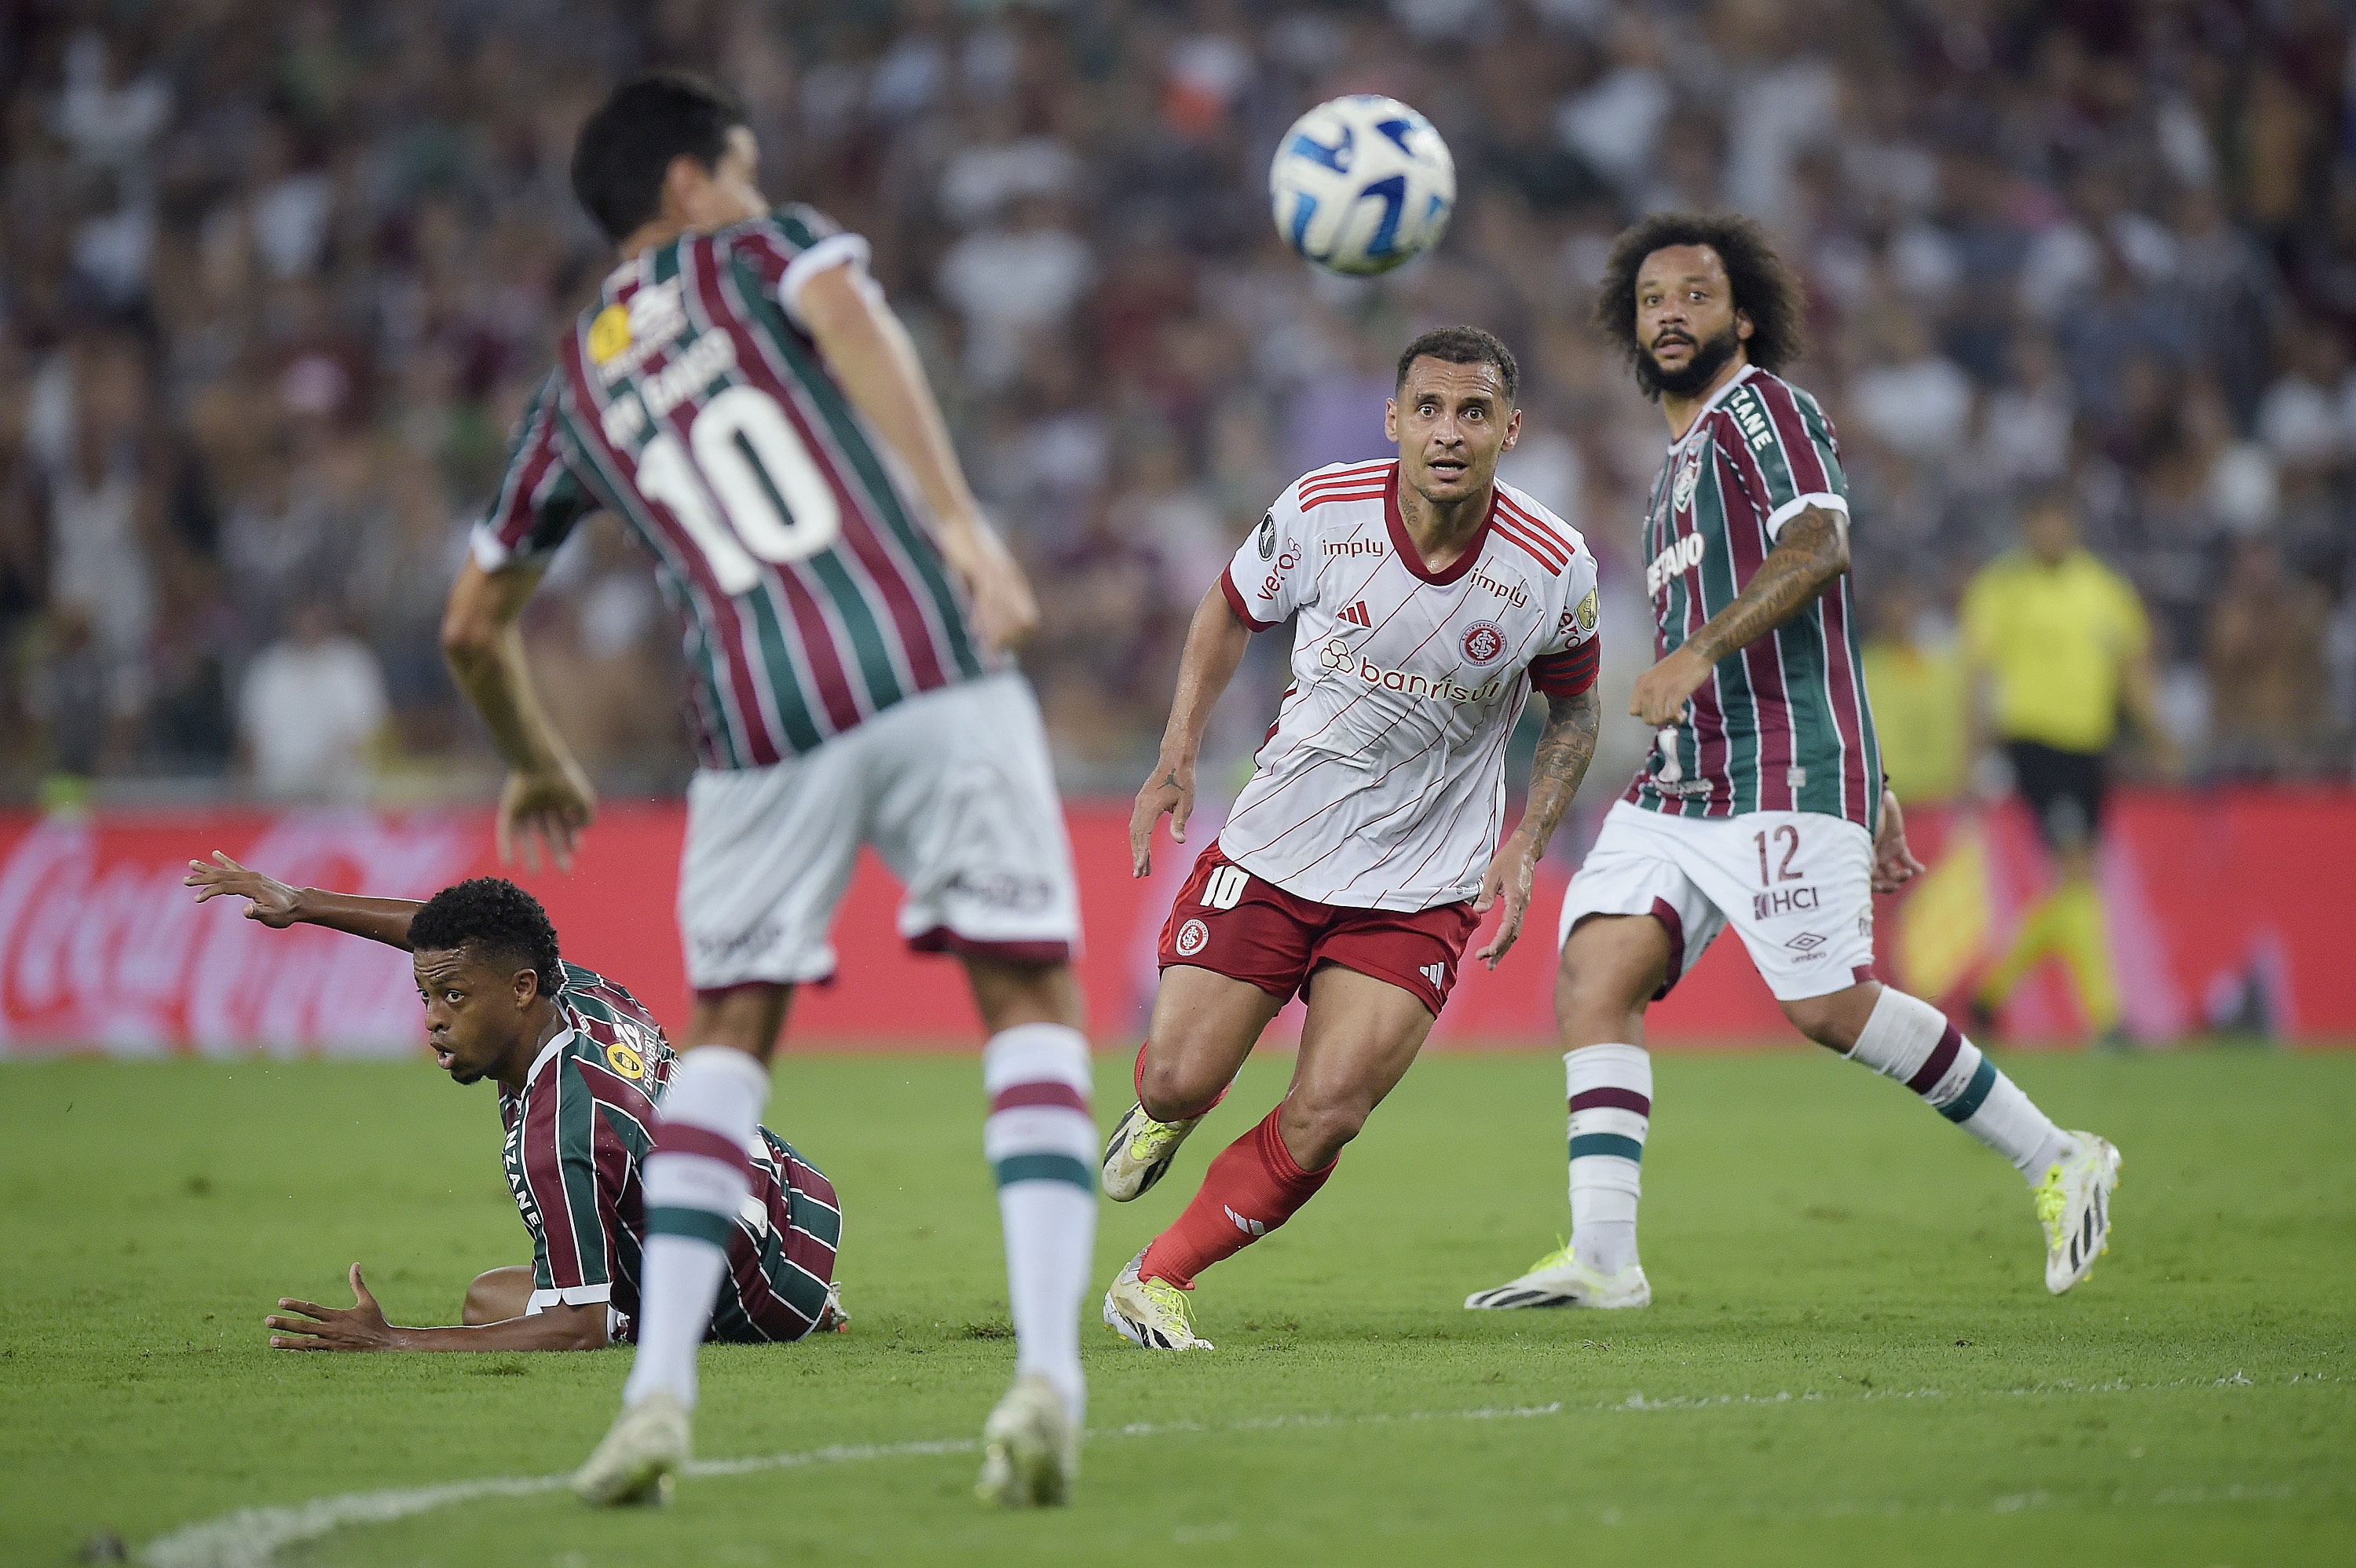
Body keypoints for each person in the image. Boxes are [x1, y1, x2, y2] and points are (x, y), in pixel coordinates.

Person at [438, 75, 1093, 1507]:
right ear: (688, 181)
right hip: (922, 658)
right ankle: (1050, 1372)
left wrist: (537, 756)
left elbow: (472, 626)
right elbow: (851, 313)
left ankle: (658, 1397)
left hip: (750, 720)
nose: (751, 187)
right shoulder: (755, 249)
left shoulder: (571, 387)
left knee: (726, 1040)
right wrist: (965, 527)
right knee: (1028, 1002)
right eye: (738, 167)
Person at [1465, 214, 2120, 1314]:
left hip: (1778, 765)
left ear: (1743, 318)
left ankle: (2059, 1153)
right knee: (1595, 973)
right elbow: (1824, 634)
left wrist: (1705, 658)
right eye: (1652, 300)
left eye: (1696, 295)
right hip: (1687, 776)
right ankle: (1605, 1255)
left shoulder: (1763, 409)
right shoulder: (1674, 469)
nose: (1671, 314)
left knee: (1827, 1007)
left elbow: (1822, 549)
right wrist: (1883, 784)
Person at [1101, 326, 1605, 1351]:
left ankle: (1157, 1276)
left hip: (1423, 880)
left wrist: (1529, 837)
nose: (1449, 432)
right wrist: (1179, 750)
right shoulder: (1321, 512)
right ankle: (1160, 1111)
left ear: (1511, 429)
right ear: (1394, 421)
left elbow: (1577, 709)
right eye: (1429, 409)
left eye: (1473, 413)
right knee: (1177, 1074)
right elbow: (1228, 609)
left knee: (1329, 1108)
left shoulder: (1554, 565)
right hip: (1277, 846)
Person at [183, 855, 843, 1355]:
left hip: (754, 1299)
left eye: (454, 997)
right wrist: (302, 903)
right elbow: (454, 940)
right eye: (426, 997)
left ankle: (697, 1309)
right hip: (801, 1204)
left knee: (488, 1300)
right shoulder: (575, 989)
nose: (433, 1019)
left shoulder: (558, 1129)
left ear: (520, 989)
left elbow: (579, 1328)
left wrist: (393, 1339)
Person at [1961, 492, 2175, 1043]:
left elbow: (2132, 671)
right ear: (2027, 526)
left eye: (2059, 521)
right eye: (2041, 522)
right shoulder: (2002, 588)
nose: (2050, 532)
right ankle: (2107, 1018)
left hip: (2091, 748)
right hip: (2034, 743)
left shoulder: (2105, 589)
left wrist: (2158, 736)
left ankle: (1991, 992)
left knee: (2077, 882)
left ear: (2072, 525)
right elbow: (1978, 678)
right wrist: (1971, 754)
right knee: (2078, 869)